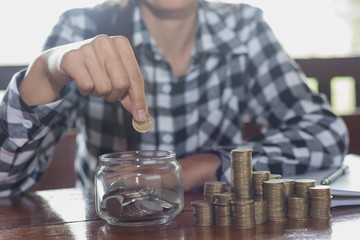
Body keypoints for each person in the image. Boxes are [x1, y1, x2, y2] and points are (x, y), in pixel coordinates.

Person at [0, 0, 348, 197]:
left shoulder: (244, 28)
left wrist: (201, 166)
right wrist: (46, 71)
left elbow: (326, 132)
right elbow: (5, 183)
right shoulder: (81, 27)